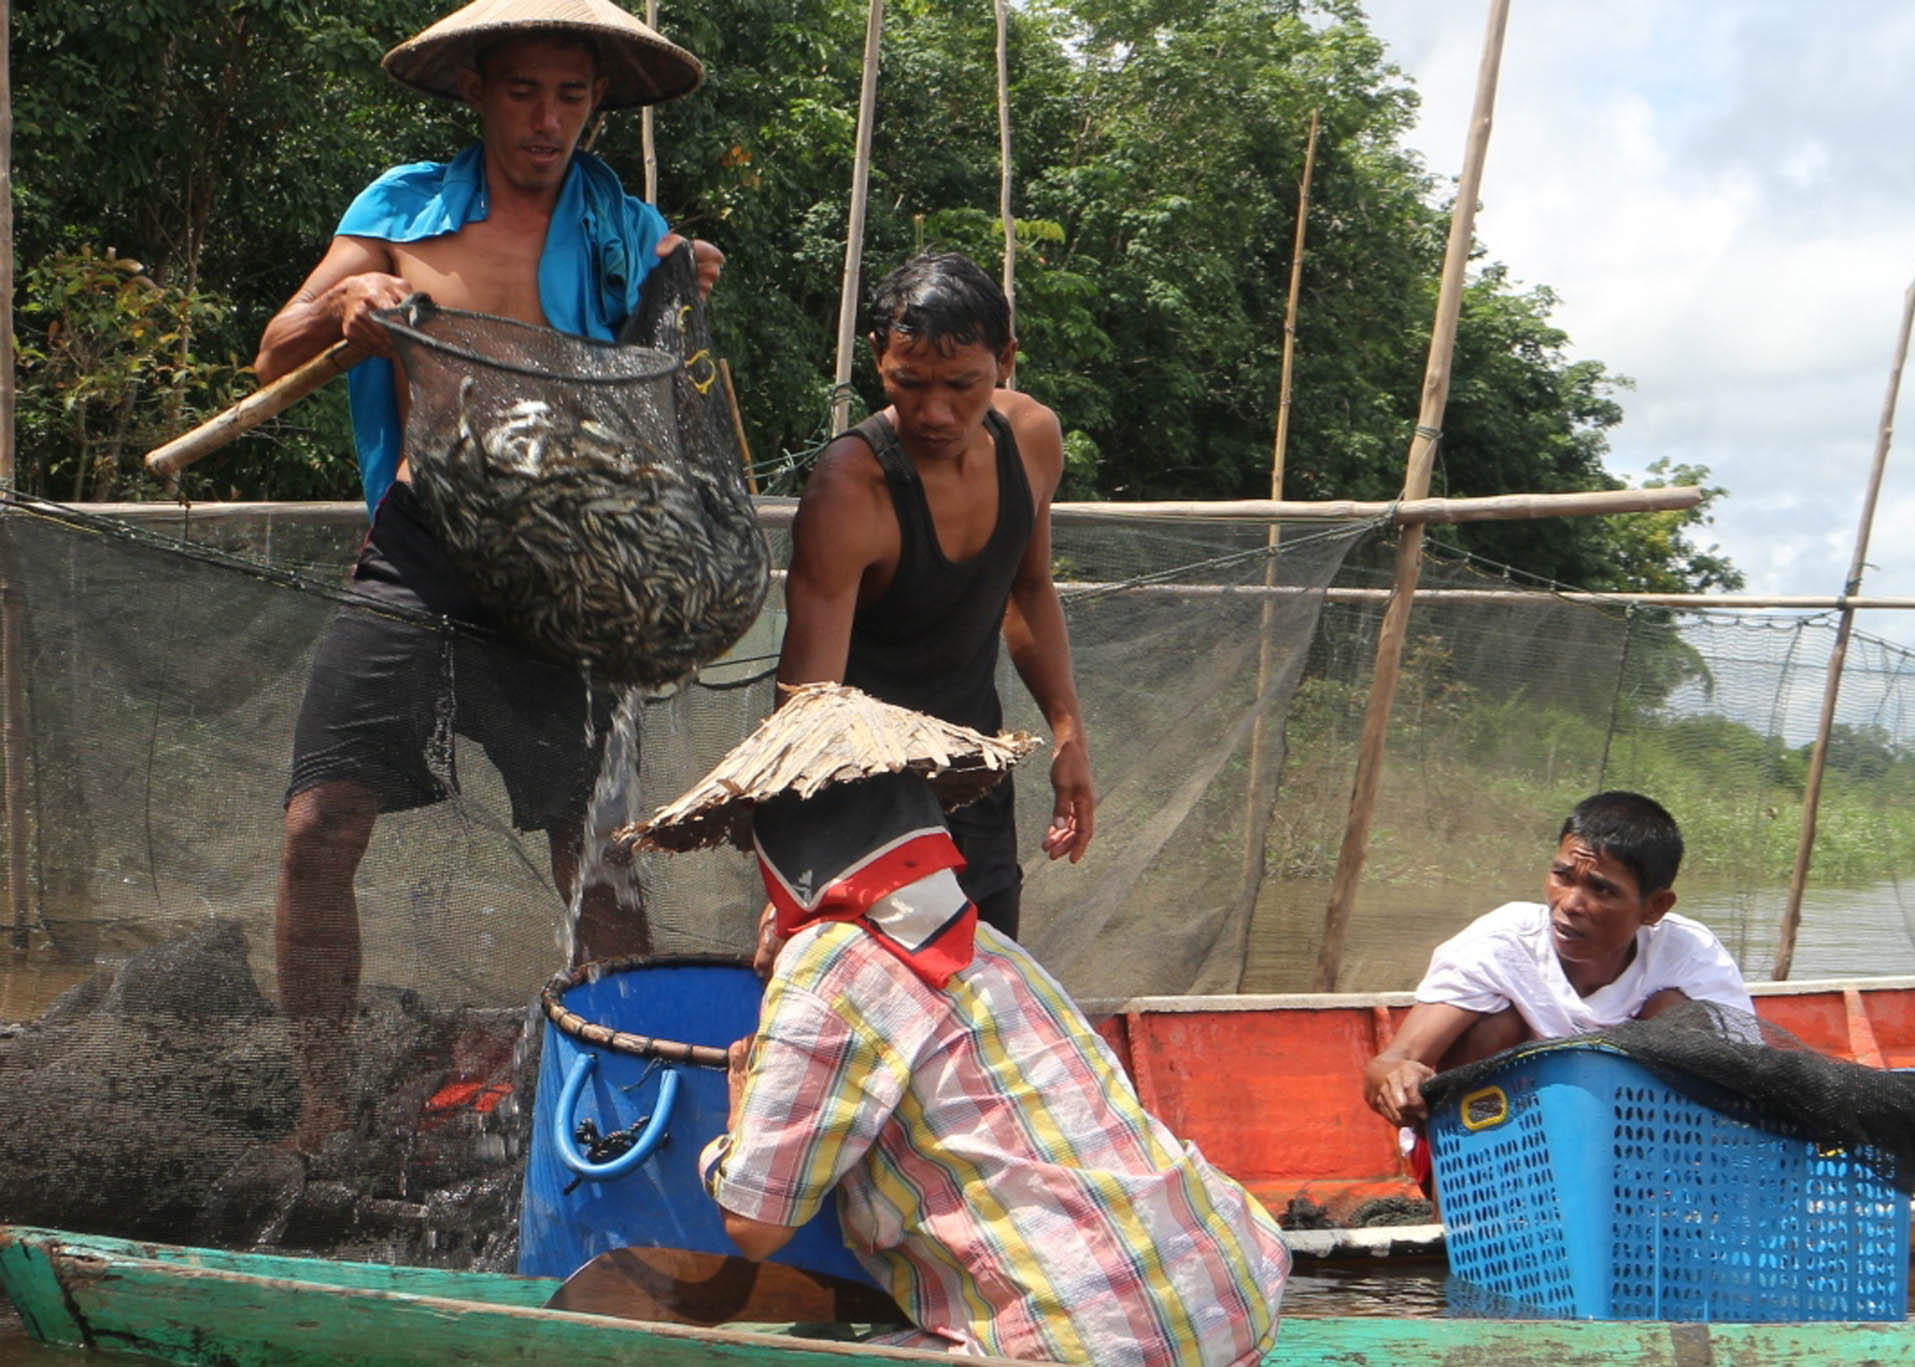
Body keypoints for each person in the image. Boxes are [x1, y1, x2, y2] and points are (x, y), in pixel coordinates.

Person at [254, 0, 721, 1147]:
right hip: (421, 549)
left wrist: (686, 282)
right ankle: (322, 1102)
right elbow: (275, 348)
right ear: (477, 89)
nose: (548, 118)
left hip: (570, 569)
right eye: (524, 91)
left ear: (597, 102)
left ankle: (623, 1109)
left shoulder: (624, 227)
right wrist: (345, 306)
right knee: (318, 823)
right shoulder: (401, 208)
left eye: (571, 95)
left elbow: (669, 375)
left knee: (601, 860)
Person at [700, 768, 1290, 1364]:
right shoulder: (990, 943)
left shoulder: (828, 963)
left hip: (1089, 1346)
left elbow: (755, 1229)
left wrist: (742, 1107)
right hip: (1235, 1299)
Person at [776, 251, 1094, 941]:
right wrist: (791, 886)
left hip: (975, 779)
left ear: (1005, 359)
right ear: (876, 357)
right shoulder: (848, 492)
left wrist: (1069, 733)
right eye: (909, 383)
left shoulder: (1032, 440)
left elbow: (1030, 586)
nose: (935, 412)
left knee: (984, 1005)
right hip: (863, 808)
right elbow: (807, 710)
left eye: (962, 384)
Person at [1364, 790, 1753, 1129]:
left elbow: (1745, 1075)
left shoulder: (1690, 955)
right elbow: (1392, 1061)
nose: (1569, 904)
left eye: (1601, 890)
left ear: (1655, 907)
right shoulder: (1502, 942)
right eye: (1562, 876)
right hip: (1501, 1133)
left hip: (1631, 1138)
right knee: (1496, 1026)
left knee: (1677, 1015)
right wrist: (1397, 1079)